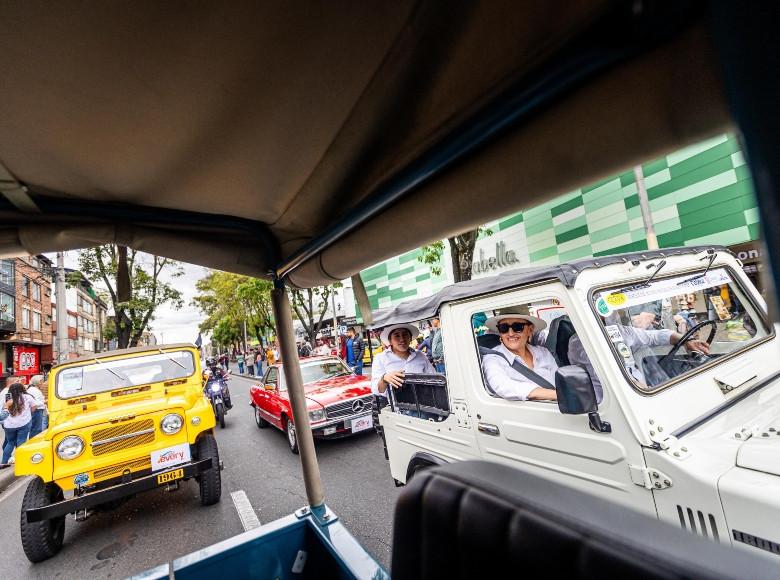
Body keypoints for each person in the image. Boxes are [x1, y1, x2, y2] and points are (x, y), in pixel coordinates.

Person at [567, 314, 710, 402]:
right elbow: (613, 378)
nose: (616, 313)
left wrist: (686, 341)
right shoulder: (580, 343)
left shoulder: (619, 331)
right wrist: (653, 394)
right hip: (615, 404)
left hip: (643, 393)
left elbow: (654, 336)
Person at [480, 310, 558, 401]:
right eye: (504, 328)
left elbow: (560, 381)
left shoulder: (544, 353)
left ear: (530, 330)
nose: (511, 333)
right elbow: (503, 387)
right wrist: (557, 395)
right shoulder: (492, 359)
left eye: (517, 327)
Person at [372, 323, 437, 398]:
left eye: (405, 334)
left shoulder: (420, 356)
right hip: (398, 408)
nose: (402, 339)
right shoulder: (380, 358)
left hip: (425, 404)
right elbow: (377, 390)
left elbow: (434, 380)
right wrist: (384, 379)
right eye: (397, 336)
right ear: (390, 341)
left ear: (410, 338)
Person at [1, 382, 36, 467]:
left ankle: (3, 462)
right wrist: (28, 413)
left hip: (9, 425)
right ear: (22, 388)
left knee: (10, 442)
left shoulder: (7, 398)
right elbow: (34, 407)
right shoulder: (27, 397)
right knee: (21, 442)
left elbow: (3, 408)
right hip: (23, 423)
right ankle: (21, 462)